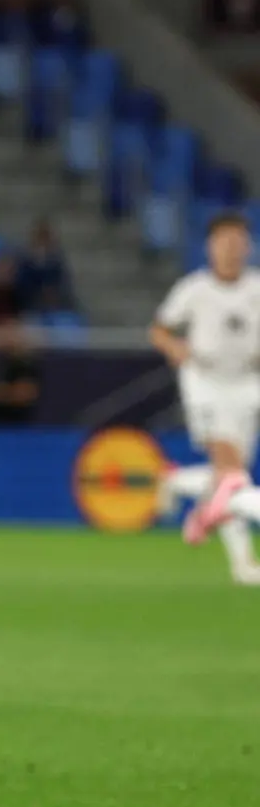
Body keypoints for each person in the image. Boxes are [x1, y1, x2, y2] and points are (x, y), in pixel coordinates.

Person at [153, 212, 260, 586]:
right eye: (225, 241)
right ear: (211, 246)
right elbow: (160, 329)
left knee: (232, 477)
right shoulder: (194, 289)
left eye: (239, 242)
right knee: (231, 473)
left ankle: (178, 482)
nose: (232, 249)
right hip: (205, 381)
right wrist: (175, 347)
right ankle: (244, 565)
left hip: (248, 383)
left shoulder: (257, 288)